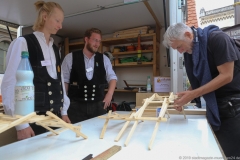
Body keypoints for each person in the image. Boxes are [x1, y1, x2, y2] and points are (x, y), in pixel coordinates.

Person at [162, 22, 240, 157]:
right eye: (176, 49)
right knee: (219, 150)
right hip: (218, 105)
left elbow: (227, 76)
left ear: (188, 35)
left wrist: (193, 94)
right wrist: (186, 97)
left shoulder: (218, 39)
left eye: (179, 46)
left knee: (232, 152)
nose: (180, 51)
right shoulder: (191, 50)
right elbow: (199, 82)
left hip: (234, 106)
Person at [1, 1, 71, 140]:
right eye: (57, 20)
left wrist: (64, 112)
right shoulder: (23, 43)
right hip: (32, 122)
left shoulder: (55, 49)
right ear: (45, 17)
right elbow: (10, 84)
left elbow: (60, 82)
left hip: (55, 120)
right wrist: (21, 125)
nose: (60, 26)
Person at [62, 28, 117, 124]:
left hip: (98, 106)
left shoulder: (104, 59)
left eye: (99, 41)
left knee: (99, 134)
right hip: (75, 107)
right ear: (86, 39)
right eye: (95, 40)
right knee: (75, 135)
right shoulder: (70, 58)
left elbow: (112, 78)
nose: (97, 44)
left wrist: (109, 95)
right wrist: (64, 104)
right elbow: (64, 81)